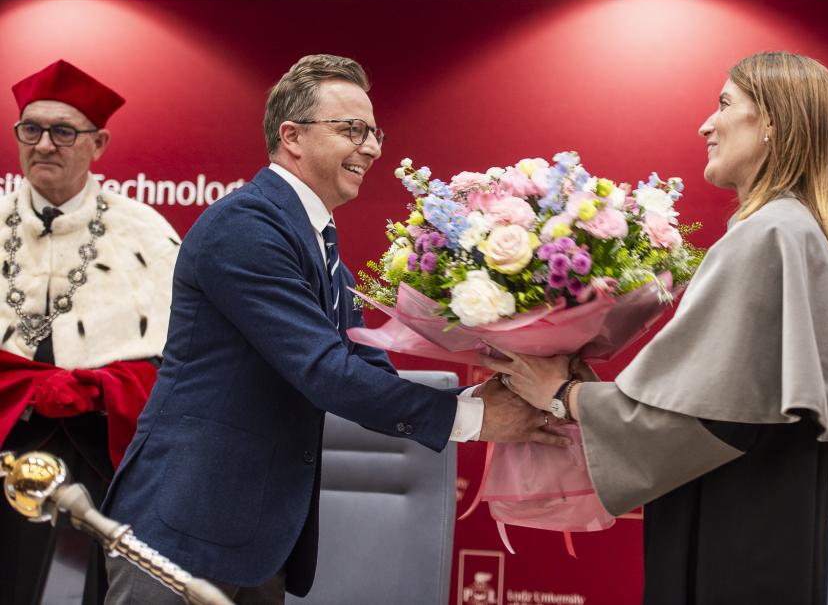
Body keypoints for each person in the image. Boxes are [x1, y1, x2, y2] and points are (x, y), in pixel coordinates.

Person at [102, 54, 564, 604]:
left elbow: (364, 365)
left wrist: (481, 395)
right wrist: (477, 420)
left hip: (258, 539)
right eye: (352, 130)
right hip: (186, 526)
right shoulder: (245, 226)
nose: (372, 148)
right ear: (292, 137)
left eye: (374, 133)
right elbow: (325, 372)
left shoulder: (314, 239)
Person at [481, 51, 828, 604]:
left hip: (730, 535)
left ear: (771, 122)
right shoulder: (794, 230)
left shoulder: (766, 236)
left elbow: (710, 424)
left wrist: (563, 394)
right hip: (765, 525)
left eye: (724, 103)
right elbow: (725, 405)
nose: (705, 124)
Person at [0, 59, 180, 605]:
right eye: (31, 129)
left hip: (106, 445)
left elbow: (173, 357)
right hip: (6, 439)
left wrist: (103, 387)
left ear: (98, 143)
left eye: (63, 131)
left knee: (111, 587)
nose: (44, 145)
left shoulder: (144, 231)